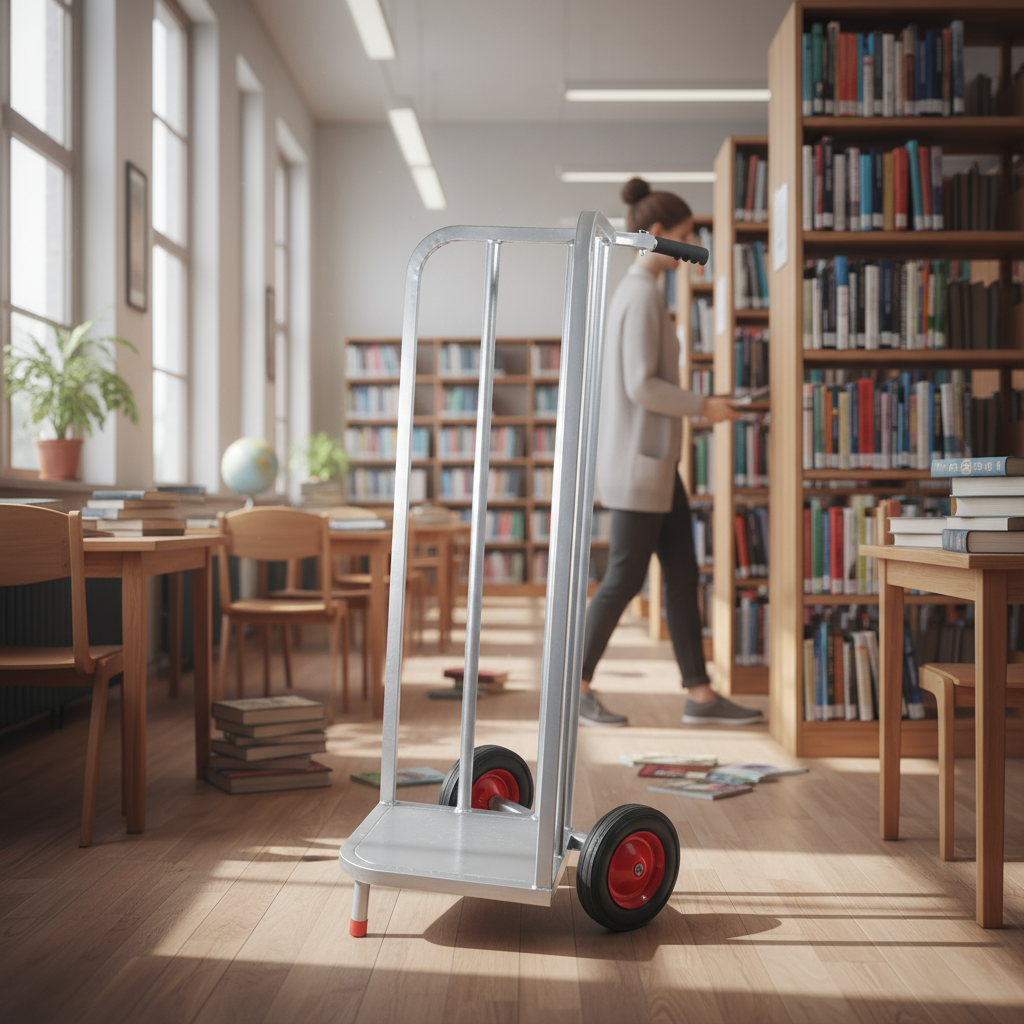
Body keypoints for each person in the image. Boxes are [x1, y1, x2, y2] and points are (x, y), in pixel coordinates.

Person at [578, 177, 763, 728]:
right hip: (640, 467)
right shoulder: (639, 294)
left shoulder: (645, 294)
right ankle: (574, 686)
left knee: (683, 577)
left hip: (657, 465)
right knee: (623, 579)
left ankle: (700, 695)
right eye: (686, 237)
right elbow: (642, 386)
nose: (690, 250)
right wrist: (704, 406)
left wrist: (707, 403)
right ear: (657, 235)